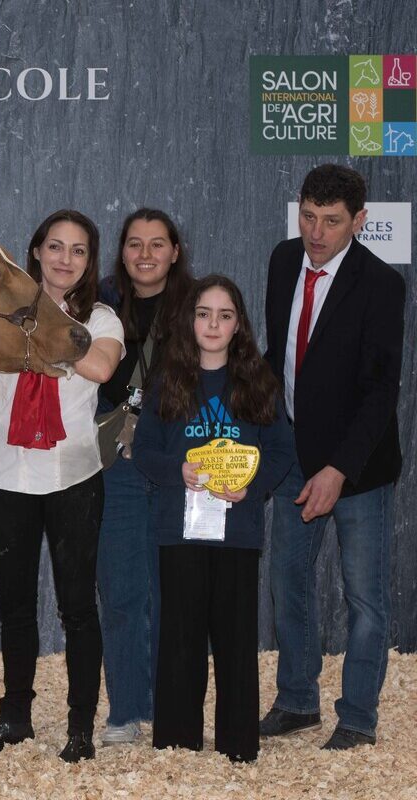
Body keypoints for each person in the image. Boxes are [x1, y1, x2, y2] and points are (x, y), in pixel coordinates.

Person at [0, 209, 124, 763]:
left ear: (89, 262)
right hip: (10, 478)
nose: (64, 258)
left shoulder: (100, 317)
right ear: (37, 252)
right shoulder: (1, 316)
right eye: (55, 247)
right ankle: (14, 719)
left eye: (78, 250)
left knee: (76, 608)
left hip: (73, 478)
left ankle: (80, 729)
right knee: (15, 608)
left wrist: (44, 331)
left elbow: (101, 370)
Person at [260, 164, 405, 750]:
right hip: (292, 448)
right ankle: (297, 700)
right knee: (288, 581)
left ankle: (359, 718)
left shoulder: (381, 285)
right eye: (309, 217)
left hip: (359, 466)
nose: (316, 233)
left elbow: (381, 392)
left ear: (360, 222)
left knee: (364, 596)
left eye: (332, 222)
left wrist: (338, 470)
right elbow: (278, 358)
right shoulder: (281, 259)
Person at [133, 275, 294, 763]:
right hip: (179, 529)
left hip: (238, 529)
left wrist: (253, 486)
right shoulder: (167, 380)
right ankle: (178, 745)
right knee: (180, 637)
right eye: (204, 313)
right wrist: (178, 470)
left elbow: (282, 450)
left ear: (239, 324)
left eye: (225, 315)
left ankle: (237, 747)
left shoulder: (258, 382)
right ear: (190, 319)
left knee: (236, 639)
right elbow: (143, 451)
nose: (213, 324)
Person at [94, 208, 193, 745]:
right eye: (135, 243)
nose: (146, 254)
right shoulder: (98, 300)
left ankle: (170, 708)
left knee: (174, 589)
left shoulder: (202, 301)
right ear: (122, 251)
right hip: (117, 463)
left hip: (182, 464)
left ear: (175, 251)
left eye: (158, 244)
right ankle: (125, 710)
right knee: (122, 588)